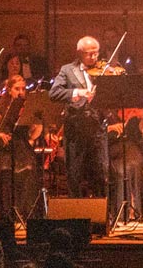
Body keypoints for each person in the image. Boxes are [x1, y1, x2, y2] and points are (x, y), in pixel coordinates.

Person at [48, 36, 108, 199]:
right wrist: (77, 92)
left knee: (101, 172)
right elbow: (53, 93)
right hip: (76, 127)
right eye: (90, 54)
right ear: (79, 53)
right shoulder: (67, 70)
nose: (94, 58)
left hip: (97, 127)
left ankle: (102, 213)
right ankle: (78, 213)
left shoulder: (103, 69)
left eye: (96, 54)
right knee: (75, 173)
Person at [0, 75, 42, 222]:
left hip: (22, 148)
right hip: (5, 149)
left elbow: (33, 136)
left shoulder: (27, 108)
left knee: (29, 169)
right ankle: (6, 213)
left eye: (23, 89)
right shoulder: (2, 107)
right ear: (9, 90)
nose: (21, 92)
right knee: (6, 171)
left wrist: (39, 122)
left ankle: (25, 212)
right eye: (17, 89)